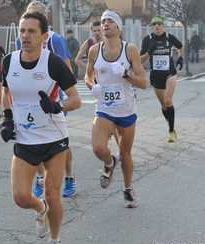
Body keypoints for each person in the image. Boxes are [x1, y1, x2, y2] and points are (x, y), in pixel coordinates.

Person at [1, 10, 81, 244]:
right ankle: (40, 209)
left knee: (53, 194)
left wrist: (57, 106)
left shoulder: (53, 62)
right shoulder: (8, 61)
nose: (25, 36)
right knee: (21, 197)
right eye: (22, 31)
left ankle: (55, 243)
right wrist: (7, 118)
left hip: (54, 139)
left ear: (43, 36)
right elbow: (7, 93)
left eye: (31, 31)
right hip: (25, 139)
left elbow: (75, 100)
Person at [85, 9, 147, 208]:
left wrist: (126, 73)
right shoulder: (94, 51)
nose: (105, 24)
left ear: (118, 26)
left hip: (126, 110)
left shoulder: (130, 50)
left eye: (110, 21)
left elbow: (144, 83)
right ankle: (110, 163)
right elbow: (87, 76)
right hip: (104, 108)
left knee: (126, 154)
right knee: (98, 148)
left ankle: (128, 189)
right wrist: (91, 86)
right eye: (103, 21)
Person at [17, 1, 77, 198]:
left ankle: (69, 175)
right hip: (31, 99)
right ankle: (40, 177)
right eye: (29, 14)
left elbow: (67, 70)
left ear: (45, 18)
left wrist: (56, 99)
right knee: (34, 136)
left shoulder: (55, 40)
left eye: (36, 15)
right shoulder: (21, 39)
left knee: (58, 138)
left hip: (54, 98)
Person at [140, 15, 184, 142]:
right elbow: (139, 60)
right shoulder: (147, 40)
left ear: (163, 25)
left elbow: (180, 46)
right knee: (164, 105)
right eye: (154, 24)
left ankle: (171, 131)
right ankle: (170, 123)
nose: (156, 26)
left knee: (168, 99)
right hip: (156, 75)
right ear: (152, 26)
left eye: (159, 23)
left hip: (170, 72)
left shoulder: (169, 37)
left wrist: (181, 57)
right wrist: (149, 52)